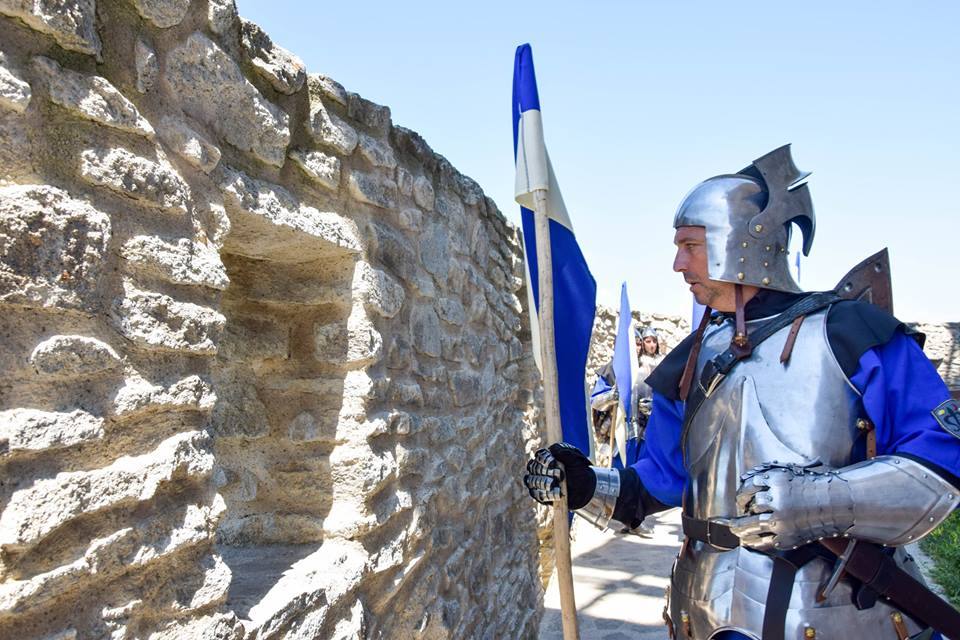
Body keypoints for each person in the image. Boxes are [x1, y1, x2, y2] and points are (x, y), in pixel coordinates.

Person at [524, 145, 960, 639]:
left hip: (836, 613)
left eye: (690, 245)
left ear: (743, 244)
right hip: (704, 607)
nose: (677, 263)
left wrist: (819, 501)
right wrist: (584, 485)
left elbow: (940, 464)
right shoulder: (690, 361)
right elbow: (659, 482)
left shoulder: (852, 334)